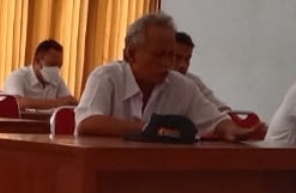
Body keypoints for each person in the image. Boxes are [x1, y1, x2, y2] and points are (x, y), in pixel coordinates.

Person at [75, 12, 263, 142]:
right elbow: (88, 123)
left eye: (171, 55)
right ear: (130, 54)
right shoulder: (106, 77)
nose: (167, 63)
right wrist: (150, 129)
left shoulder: (182, 86)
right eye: (158, 55)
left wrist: (234, 131)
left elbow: (215, 120)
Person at [1, 39, 77, 110]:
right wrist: (56, 103)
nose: (56, 70)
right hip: (21, 123)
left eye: (59, 66)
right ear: (37, 61)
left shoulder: (57, 80)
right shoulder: (17, 77)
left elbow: (69, 101)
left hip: (46, 123)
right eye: (52, 65)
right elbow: (17, 102)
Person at [173, 32, 231, 111]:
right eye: (177, 57)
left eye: (187, 59)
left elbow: (218, 106)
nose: (183, 65)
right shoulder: (154, 83)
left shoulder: (193, 82)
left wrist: (230, 114)